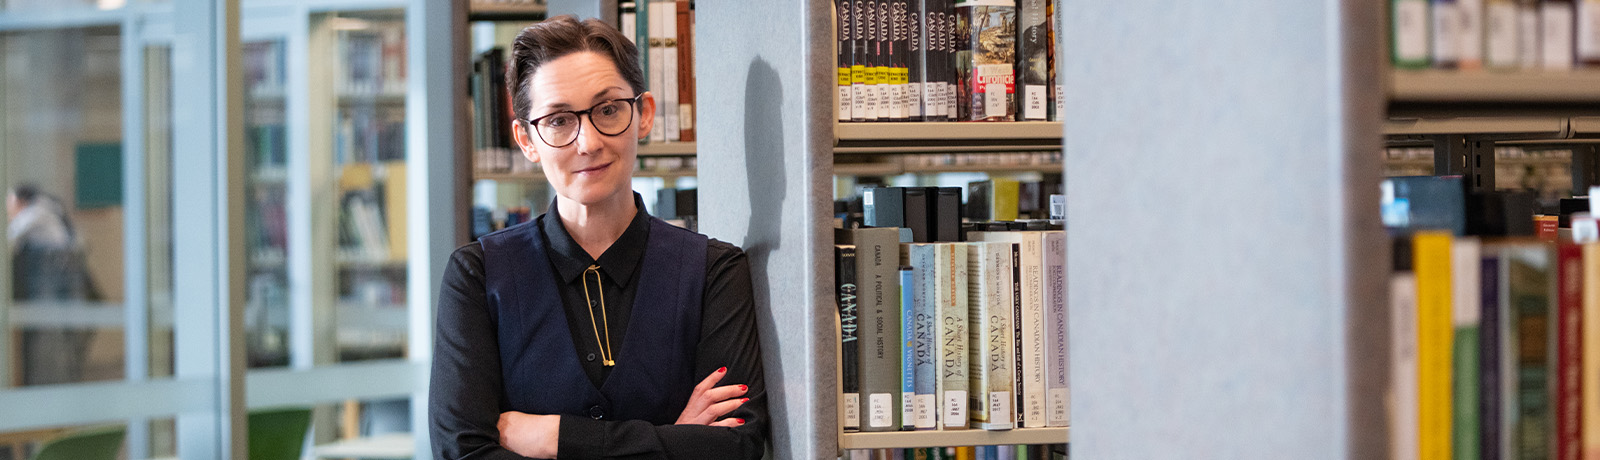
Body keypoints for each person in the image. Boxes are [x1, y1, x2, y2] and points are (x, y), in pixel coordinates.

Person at [430, 15, 768, 460]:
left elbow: (736, 448)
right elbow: (464, 453)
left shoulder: (714, 272)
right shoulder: (477, 275)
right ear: (526, 140)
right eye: (558, 120)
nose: (587, 142)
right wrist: (674, 438)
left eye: (607, 110)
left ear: (643, 114)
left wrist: (553, 438)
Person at [7, 184, 96, 385]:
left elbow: (12, 234)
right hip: (60, 277)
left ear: (20, 200)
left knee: (50, 334)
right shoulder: (48, 208)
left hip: (53, 278)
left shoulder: (37, 212)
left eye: (10, 202)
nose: (9, 209)